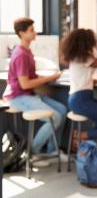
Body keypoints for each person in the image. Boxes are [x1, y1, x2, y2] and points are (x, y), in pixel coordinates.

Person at [3, 17, 66, 156]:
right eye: (31, 30)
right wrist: (50, 78)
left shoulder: (27, 52)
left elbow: (29, 77)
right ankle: (32, 152)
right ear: (21, 33)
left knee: (61, 110)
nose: (34, 33)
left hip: (27, 95)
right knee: (55, 117)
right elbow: (25, 84)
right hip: (18, 97)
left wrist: (43, 77)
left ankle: (52, 150)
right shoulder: (21, 54)